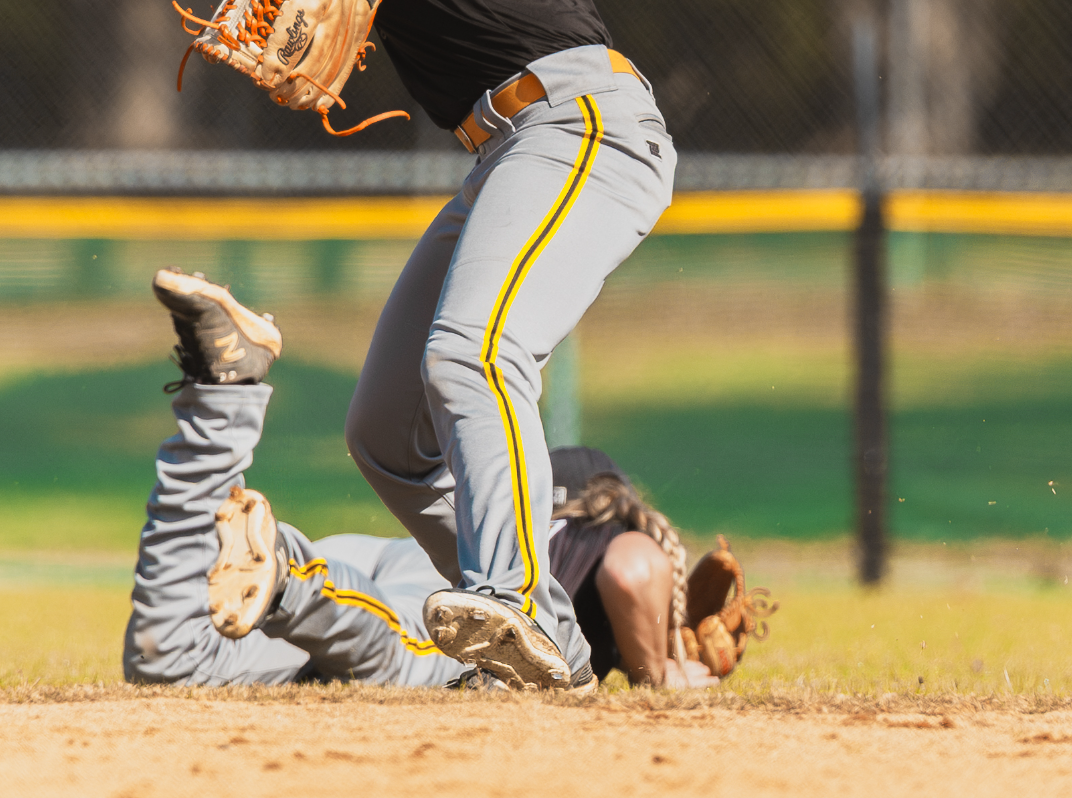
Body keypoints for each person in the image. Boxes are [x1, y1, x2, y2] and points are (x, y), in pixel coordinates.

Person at [262, 0, 673, 689]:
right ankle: (549, 641)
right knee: (386, 431)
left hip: (578, 120)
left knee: (473, 354)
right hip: (515, 141)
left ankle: (507, 597)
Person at [124, 271, 716, 688]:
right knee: (406, 654)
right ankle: (283, 575)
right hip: (443, 605)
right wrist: (664, 669)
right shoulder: (613, 532)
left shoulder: (528, 492)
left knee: (173, 660)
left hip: (377, 566)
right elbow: (635, 570)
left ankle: (220, 393)